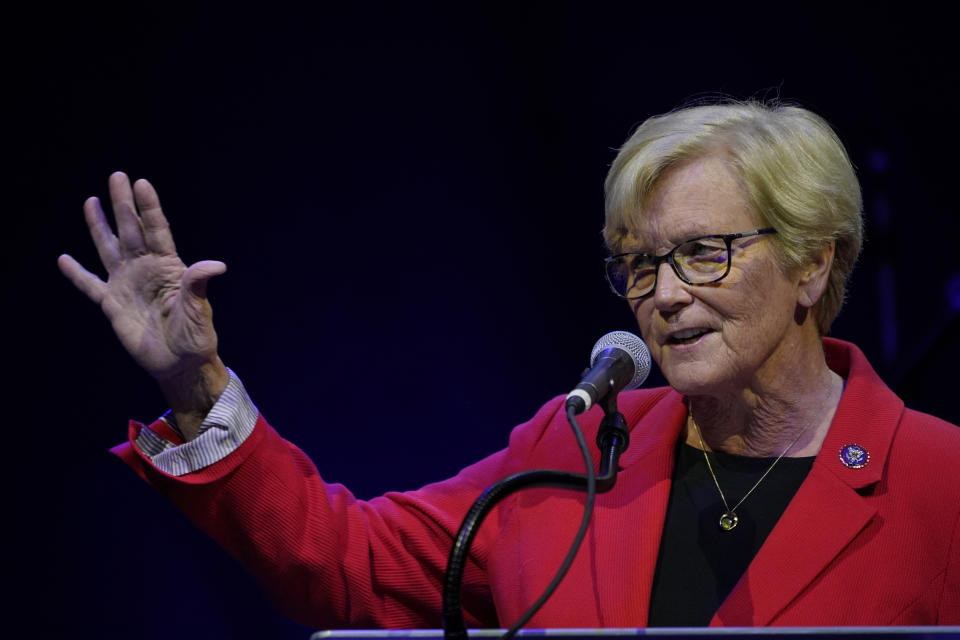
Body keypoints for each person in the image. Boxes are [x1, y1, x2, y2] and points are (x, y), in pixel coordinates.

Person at [58, 100, 960, 628]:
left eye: (706, 252)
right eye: (640, 264)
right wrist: (193, 383)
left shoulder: (939, 482)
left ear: (811, 261)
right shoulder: (576, 448)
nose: (667, 295)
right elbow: (351, 563)